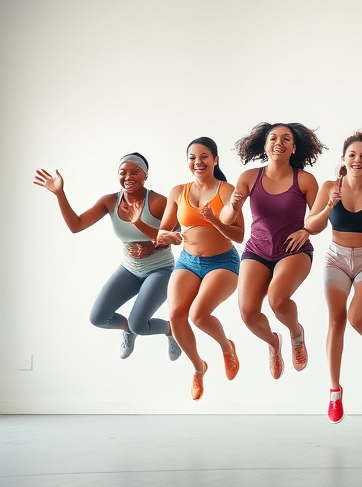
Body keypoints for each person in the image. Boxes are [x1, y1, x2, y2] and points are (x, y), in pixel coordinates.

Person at [33, 154, 180, 361]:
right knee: (98, 317)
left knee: (139, 324)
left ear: (145, 176)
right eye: (123, 172)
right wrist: (59, 194)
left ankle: (170, 330)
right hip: (129, 268)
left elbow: (177, 237)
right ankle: (128, 330)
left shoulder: (158, 202)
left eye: (134, 172)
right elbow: (76, 225)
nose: (128, 176)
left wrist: (149, 240)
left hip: (160, 270)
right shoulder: (110, 201)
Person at [220, 123, 323, 382]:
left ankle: (296, 335)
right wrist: (232, 206)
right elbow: (226, 218)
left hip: (294, 251)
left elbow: (320, 218)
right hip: (257, 250)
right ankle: (273, 342)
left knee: (277, 300)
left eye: (286, 139)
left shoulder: (305, 179)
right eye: (273, 138)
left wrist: (307, 231)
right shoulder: (249, 177)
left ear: (294, 146)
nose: (279, 142)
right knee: (247, 312)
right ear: (264, 145)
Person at [305, 131, 362, 423]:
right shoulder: (329, 186)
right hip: (336, 259)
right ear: (343, 158)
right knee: (336, 320)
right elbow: (310, 226)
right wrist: (330, 204)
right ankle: (334, 393)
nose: (357, 160)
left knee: (356, 318)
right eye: (352, 155)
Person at [156, 137, 245, 400]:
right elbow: (164, 230)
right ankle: (198, 367)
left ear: (215, 160)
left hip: (222, 262)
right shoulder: (177, 192)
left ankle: (226, 346)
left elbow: (239, 235)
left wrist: (215, 220)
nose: (198, 162)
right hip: (187, 262)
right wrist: (168, 236)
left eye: (204, 156)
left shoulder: (228, 191)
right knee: (175, 315)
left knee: (198, 315)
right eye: (193, 157)